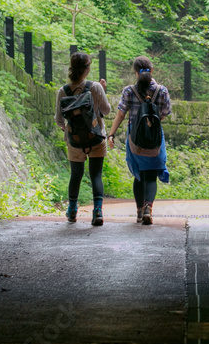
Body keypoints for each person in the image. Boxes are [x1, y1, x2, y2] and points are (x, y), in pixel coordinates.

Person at [107, 56, 171, 225]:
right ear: (152, 70)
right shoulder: (162, 90)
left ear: (135, 72)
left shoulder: (129, 90)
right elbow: (165, 113)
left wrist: (111, 134)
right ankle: (149, 207)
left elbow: (121, 113)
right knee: (151, 175)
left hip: (135, 138)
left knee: (139, 175)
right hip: (155, 138)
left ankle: (139, 212)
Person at [55, 52, 111, 226]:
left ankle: (72, 211)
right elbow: (107, 110)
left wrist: (67, 126)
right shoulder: (95, 87)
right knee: (96, 175)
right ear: (86, 69)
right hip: (96, 137)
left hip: (75, 140)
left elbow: (59, 119)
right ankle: (98, 212)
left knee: (76, 175)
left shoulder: (63, 91)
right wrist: (102, 90)